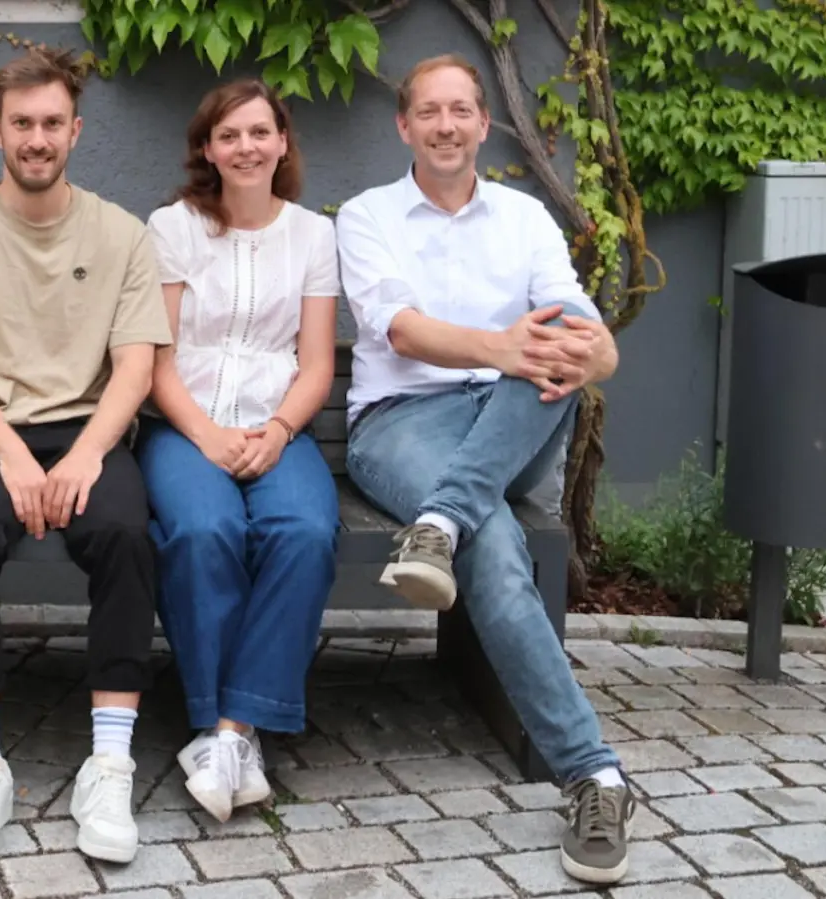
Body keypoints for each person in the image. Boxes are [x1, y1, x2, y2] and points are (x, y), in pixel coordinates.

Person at [334, 53, 632, 885]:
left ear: (483, 122)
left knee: (558, 344)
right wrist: (506, 349)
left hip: (510, 417)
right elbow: (399, 328)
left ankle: (438, 521)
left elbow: (580, 330)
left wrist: (596, 352)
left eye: (461, 110)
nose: (446, 126)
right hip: (401, 423)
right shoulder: (366, 215)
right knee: (494, 541)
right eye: (429, 112)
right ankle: (595, 774)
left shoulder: (525, 218)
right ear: (405, 125)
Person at [0, 46, 173, 865]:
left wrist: (91, 452)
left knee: (125, 534)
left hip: (87, 428)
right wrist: (10, 454)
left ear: (76, 131)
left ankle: (110, 762)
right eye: (21, 123)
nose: (36, 138)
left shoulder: (122, 233)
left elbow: (135, 367)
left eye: (51, 123)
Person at [139, 78, 341, 823]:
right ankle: (222, 721)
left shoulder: (313, 235)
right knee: (203, 530)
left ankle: (230, 732)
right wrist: (206, 433)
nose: (246, 147)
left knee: (304, 531)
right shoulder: (172, 227)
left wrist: (280, 430)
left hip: (276, 425)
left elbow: (316, 362)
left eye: (260, 132)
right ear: (208, 149)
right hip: (183, 426)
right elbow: (156, 357)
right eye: (229, 135)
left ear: (283, 142)